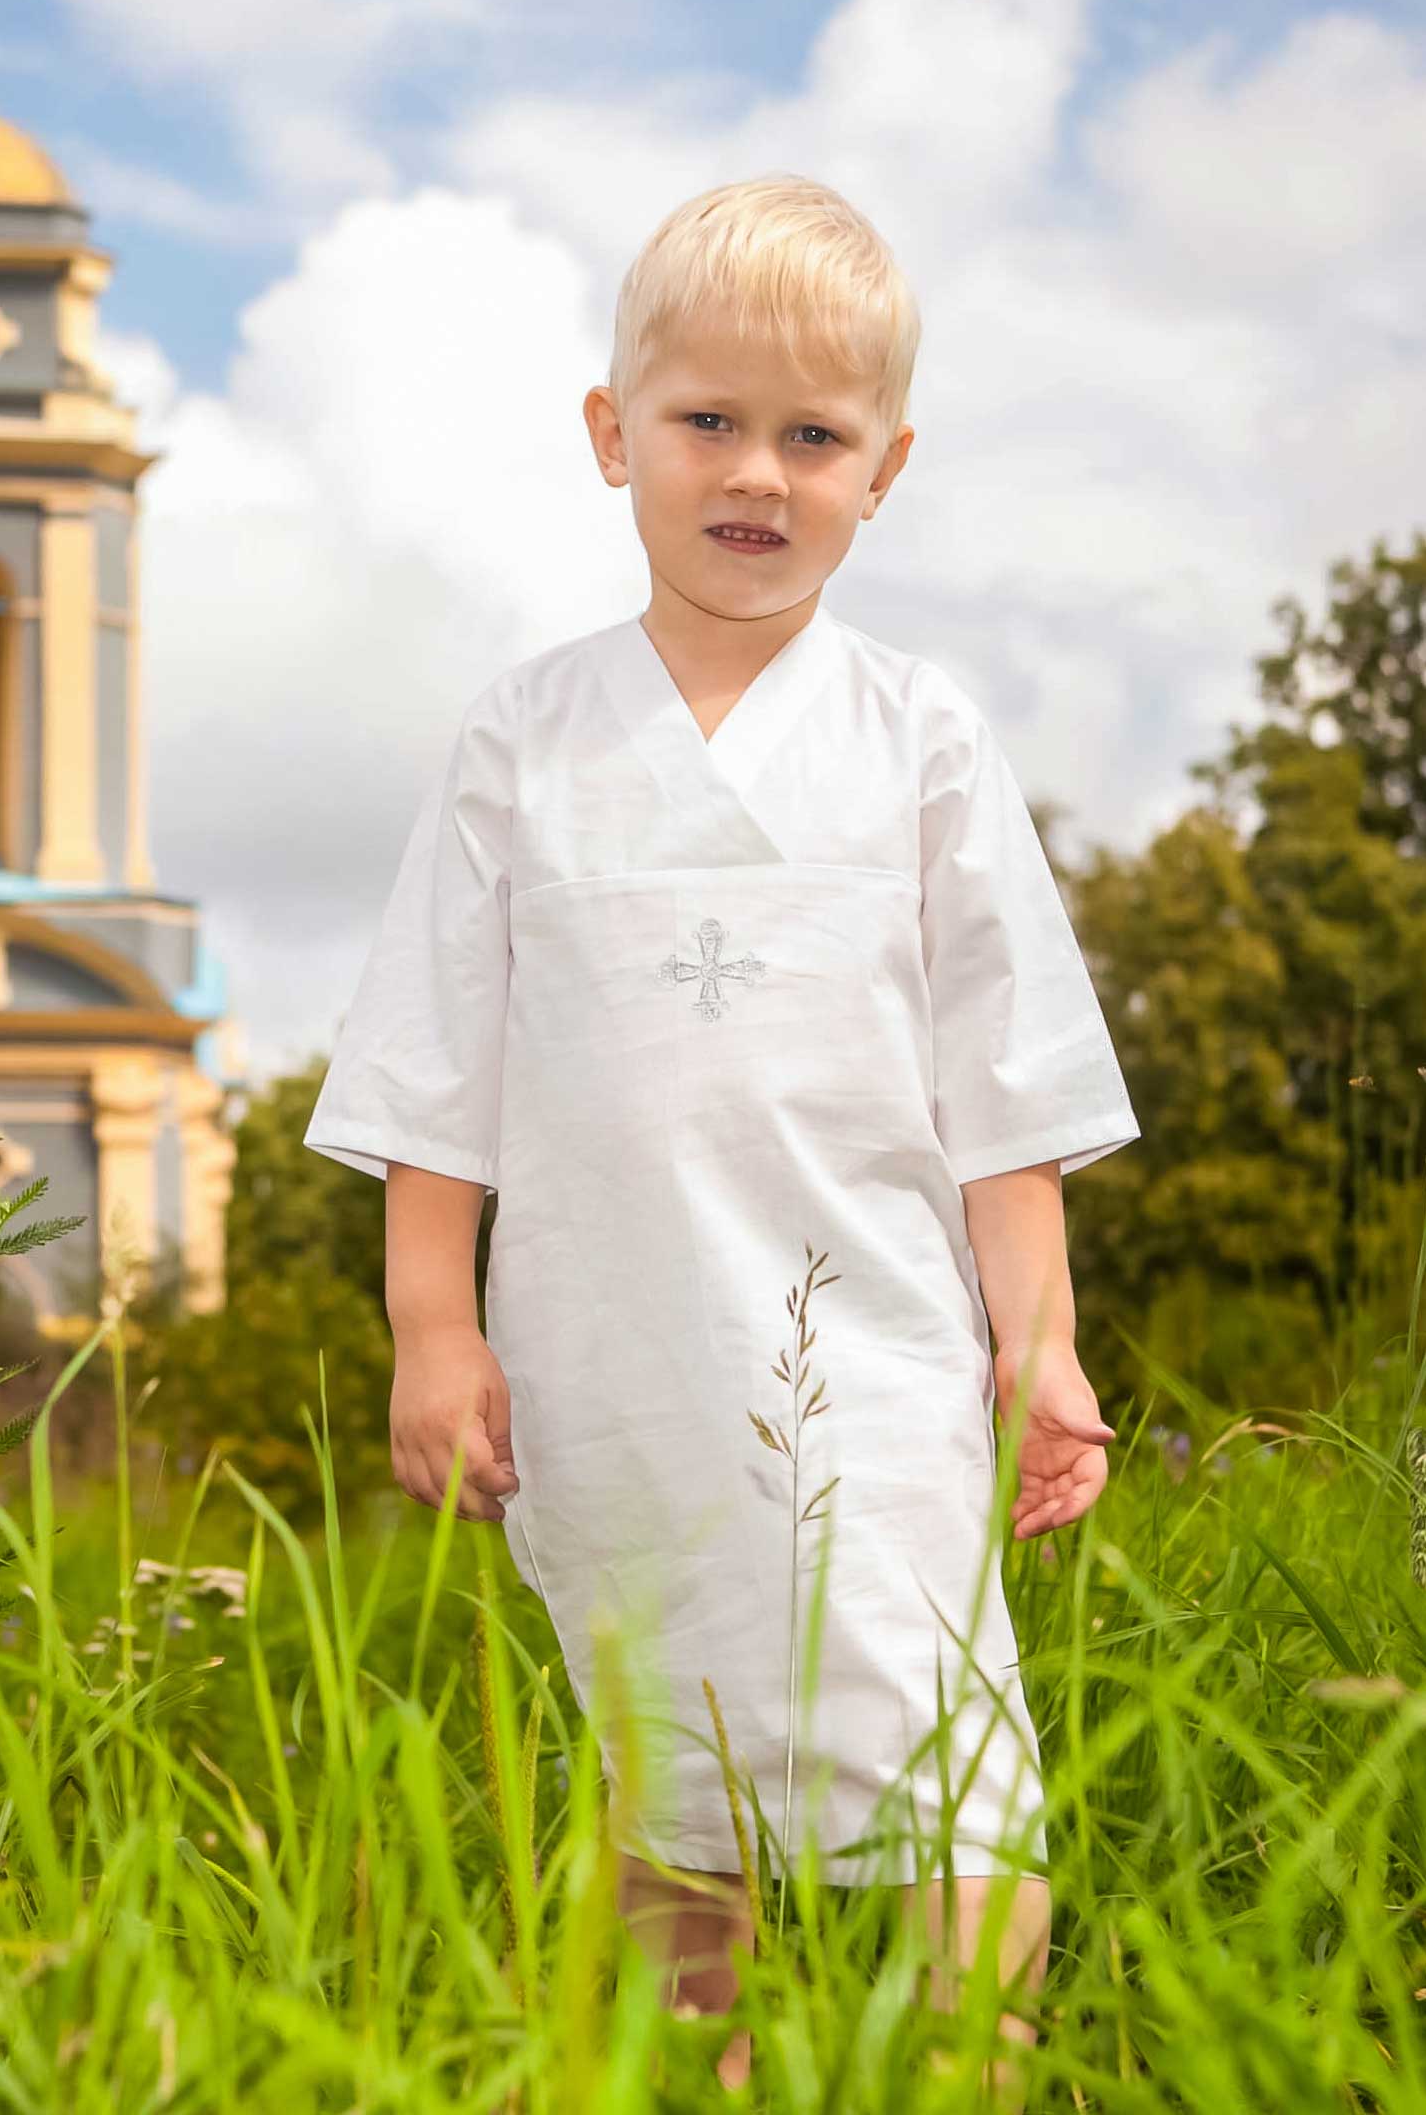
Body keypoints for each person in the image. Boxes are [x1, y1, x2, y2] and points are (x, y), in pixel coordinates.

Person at [303, 173, 1140, 2100]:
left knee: (952, 1768)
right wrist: (438, 1331)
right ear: (615, 436)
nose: (757, 473)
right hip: (620, 1362)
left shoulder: (919, 737)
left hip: (888, 1372)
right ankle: (708, 2076)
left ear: (886, 468)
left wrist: (1045, 1337)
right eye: (708, 421)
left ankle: (968, 2069)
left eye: (814, 436)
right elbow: (444, 1081)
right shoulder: (527, 738)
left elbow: (1000, 1089)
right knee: (668, 1771)